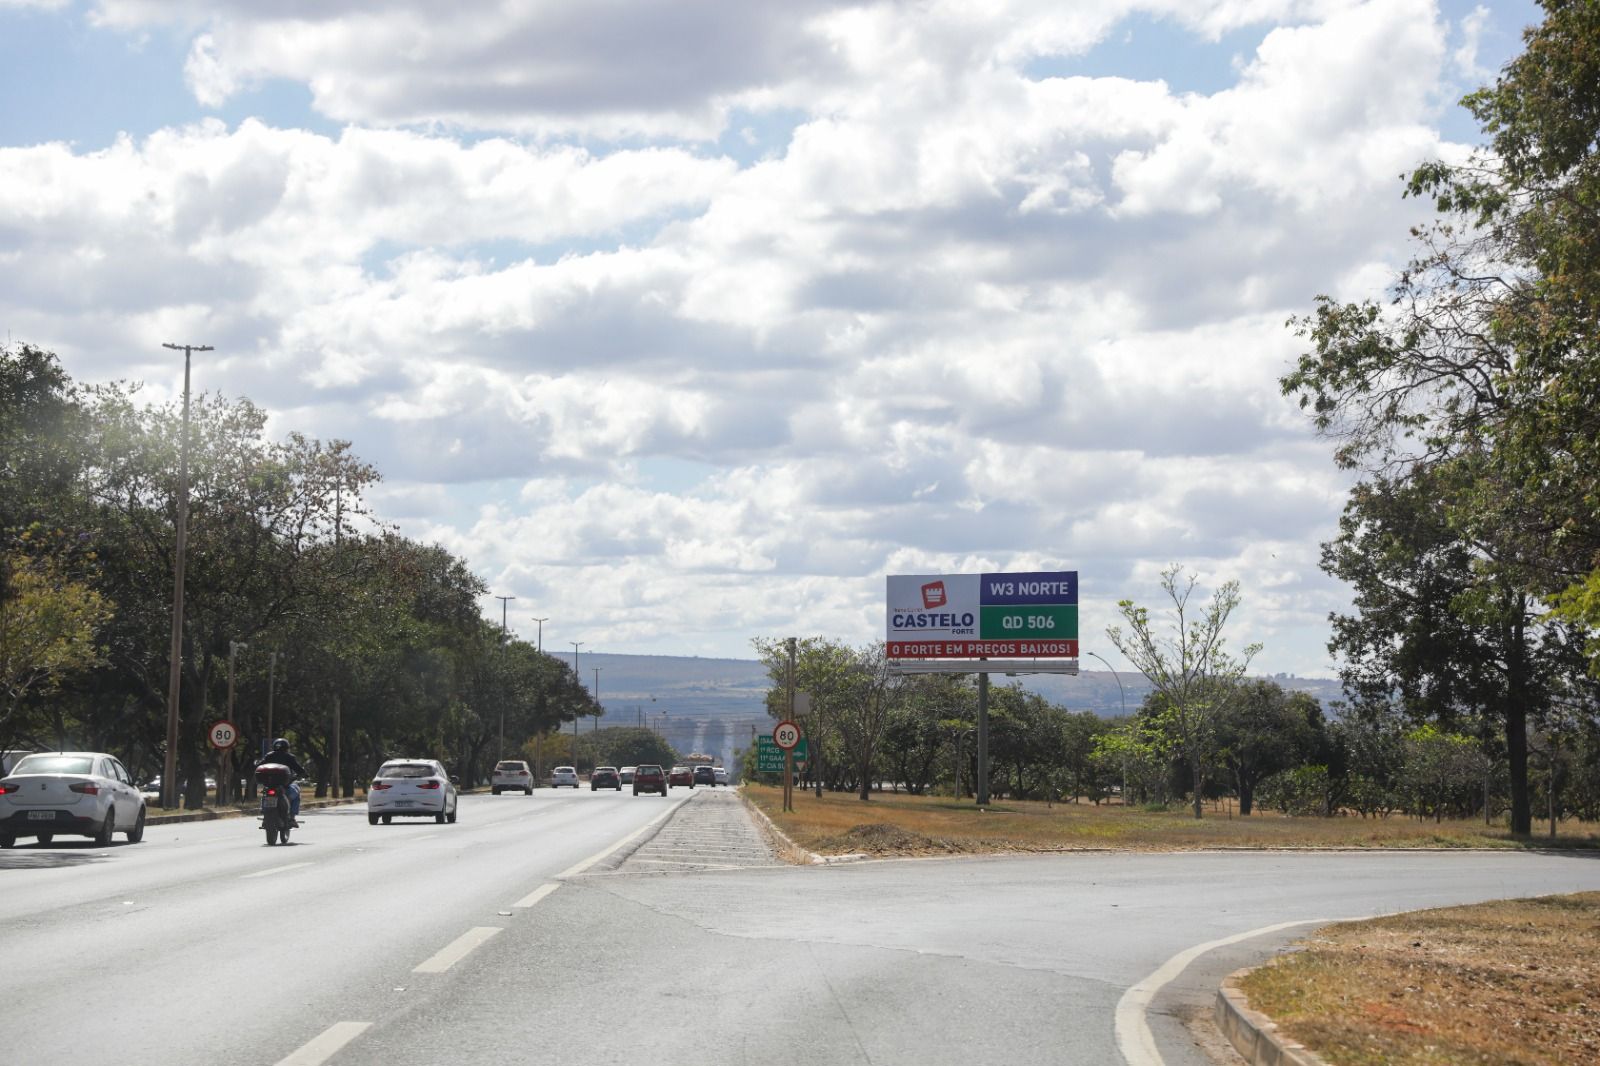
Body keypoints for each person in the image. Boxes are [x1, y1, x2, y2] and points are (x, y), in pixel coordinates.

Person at [256, 738, 306, 824]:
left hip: (270, 784)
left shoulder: (269, 756)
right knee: (297, 793)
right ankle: (292, 817)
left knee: (265, 794)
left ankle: (264, 814)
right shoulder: (289, 757)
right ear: (287, 747)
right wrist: (304, 774)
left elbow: (259, 765)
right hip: (285, 786)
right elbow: (299, 769)